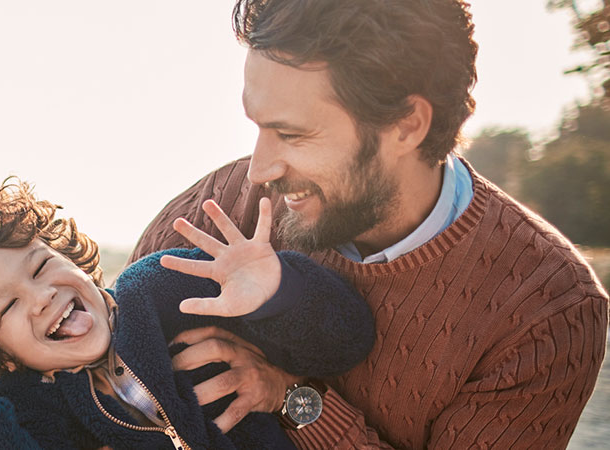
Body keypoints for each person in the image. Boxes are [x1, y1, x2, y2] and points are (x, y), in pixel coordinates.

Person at [130, 1, 610, 448]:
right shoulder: (219, 208)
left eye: (292, 134)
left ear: (406, 125)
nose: (259, 170)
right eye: (258, 126)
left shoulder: (549, 311)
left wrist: (292, 399)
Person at [0, 178, 375, 449]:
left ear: (77, 262)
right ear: (3, 356)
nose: (40, 296)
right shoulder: (33, 406)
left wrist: (277, 292)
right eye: (9, 306)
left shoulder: (161, 288)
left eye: (41, 266)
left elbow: (348, 337)